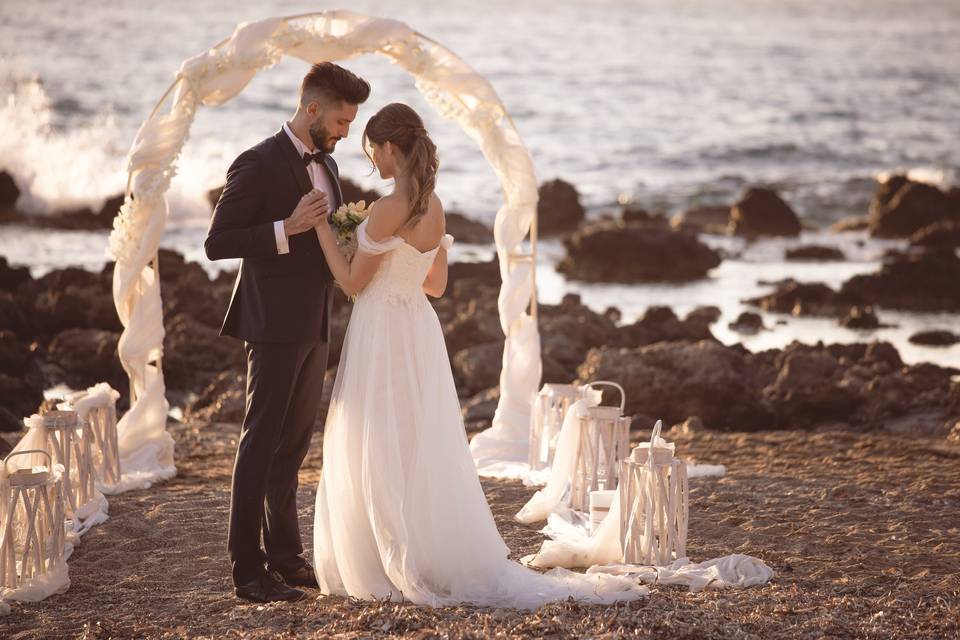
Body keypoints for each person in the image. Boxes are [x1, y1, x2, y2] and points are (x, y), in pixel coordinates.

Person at [310, 102, 645, 608]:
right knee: (416, 436)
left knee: (377, 435)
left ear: (390, 147)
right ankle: (426, 547)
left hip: (381, 326)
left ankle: (387, 556)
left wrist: (323, 232)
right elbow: (438, 284)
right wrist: (395, 262)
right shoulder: (433, 204)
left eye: (372, 150)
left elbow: (352, 281)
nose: (372, 161)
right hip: (418, 326)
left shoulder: (386, 208)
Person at [204, 62, 370, 603]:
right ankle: (247, 571)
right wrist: (286, 228)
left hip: (316, 321)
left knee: (293, 448)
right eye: (343, 121)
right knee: (259, 443)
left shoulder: (328, 164)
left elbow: (331, 236)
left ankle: (286, 557)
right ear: (314, 109)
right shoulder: (257, 162)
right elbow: (218, 241)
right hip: (273, 322)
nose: (347, 132)